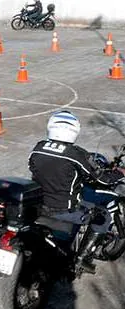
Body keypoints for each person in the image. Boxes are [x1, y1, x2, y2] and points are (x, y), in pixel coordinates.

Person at [28, 111, 125, 273]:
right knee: (104, 213)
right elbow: (102, 179)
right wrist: (120, 172)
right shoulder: (76, 154)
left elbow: (32, 168)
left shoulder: (38, 148)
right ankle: (81, 258)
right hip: (65, 210)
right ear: (74, 131)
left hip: (38, 205)